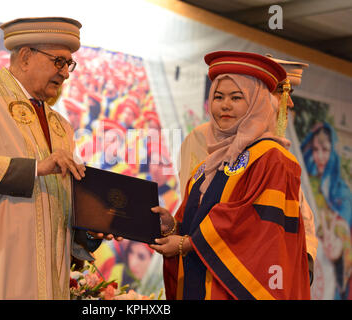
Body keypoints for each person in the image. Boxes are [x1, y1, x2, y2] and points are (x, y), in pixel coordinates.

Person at [0, 17, 111, 299]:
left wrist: (89, 229)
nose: (66, 73)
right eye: (59, 62)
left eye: (69, 64)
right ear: (26, 56)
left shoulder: (60, 125)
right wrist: (36, 168)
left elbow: (57, 206)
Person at [150, 51, 311, 299]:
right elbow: (196, 222)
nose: (224, 105)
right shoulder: (207, 166)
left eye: (236, 97)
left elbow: (254, 227)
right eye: (218, 96)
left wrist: (187, 245)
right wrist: (172, 228)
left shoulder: (273, 158)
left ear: (257, 103)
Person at [301, 122, 352, 299]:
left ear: (333, 152)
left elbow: (344, 231)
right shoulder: (308, 184)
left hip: (332, 272)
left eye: (325, 149)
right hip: (309, 260)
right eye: (316, 149)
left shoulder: (342, 191)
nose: (320, 156)